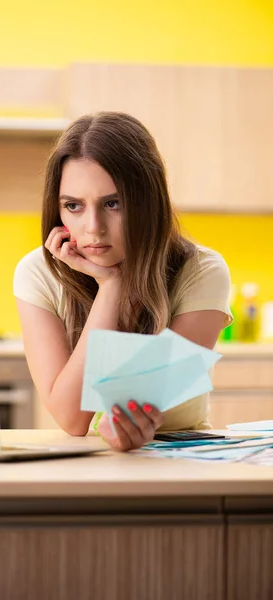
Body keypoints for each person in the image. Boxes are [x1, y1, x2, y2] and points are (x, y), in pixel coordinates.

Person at [13, 112, 232, 452]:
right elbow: (72, 419)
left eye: (113, 204)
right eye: (73, 206)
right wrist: (110, 286)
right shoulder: (36, 273)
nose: (93, 227)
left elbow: (135, 412)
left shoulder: (201, 271)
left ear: (148, 200)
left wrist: (113, 283)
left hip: (180, 462)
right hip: (82, 464)